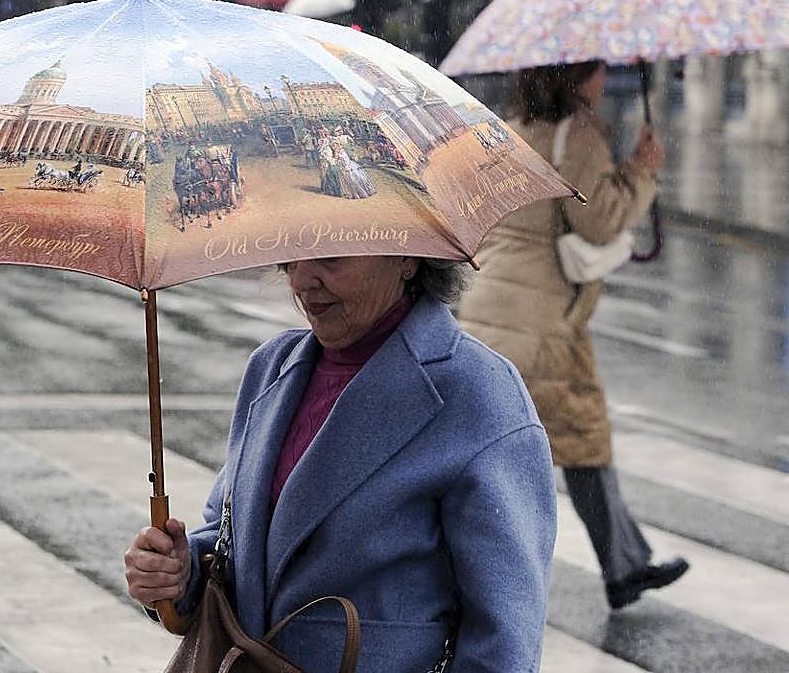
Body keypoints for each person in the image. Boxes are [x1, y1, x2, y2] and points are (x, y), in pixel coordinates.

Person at [125, 255, 556, 670]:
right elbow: (231, 545)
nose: (302, 280)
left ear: (407, 257)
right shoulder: (271, 368)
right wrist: (179, 574)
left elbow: (504, 637)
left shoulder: (478, 393)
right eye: (295, 253)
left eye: (334, 257)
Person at [458, 60, 688, 610]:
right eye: (597, 71)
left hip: (492, 306)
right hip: (542, 323)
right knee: (540, 453)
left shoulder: (512, 128)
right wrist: (642, 170)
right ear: (577, 78)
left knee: (534, 445)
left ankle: (624, 564)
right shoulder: (579, 135)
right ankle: (487, 585)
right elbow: (601, 221)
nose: (604, 80)